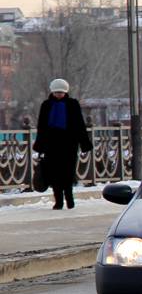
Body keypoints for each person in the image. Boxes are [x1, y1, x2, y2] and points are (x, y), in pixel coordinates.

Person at [33, 79, 93, 209]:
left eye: (61, 92)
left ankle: (69, 199)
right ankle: (58, 201)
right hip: (51, 145)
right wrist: (39, 145)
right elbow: (41, 127)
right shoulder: (46, 105)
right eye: (56, 92)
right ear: (52, 92)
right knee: (54, 174)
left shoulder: (72, 104)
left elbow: (79, 124)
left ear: (65, 92)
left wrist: (84, 143)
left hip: (69, 144)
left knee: (68, 173)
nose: (59, 94)